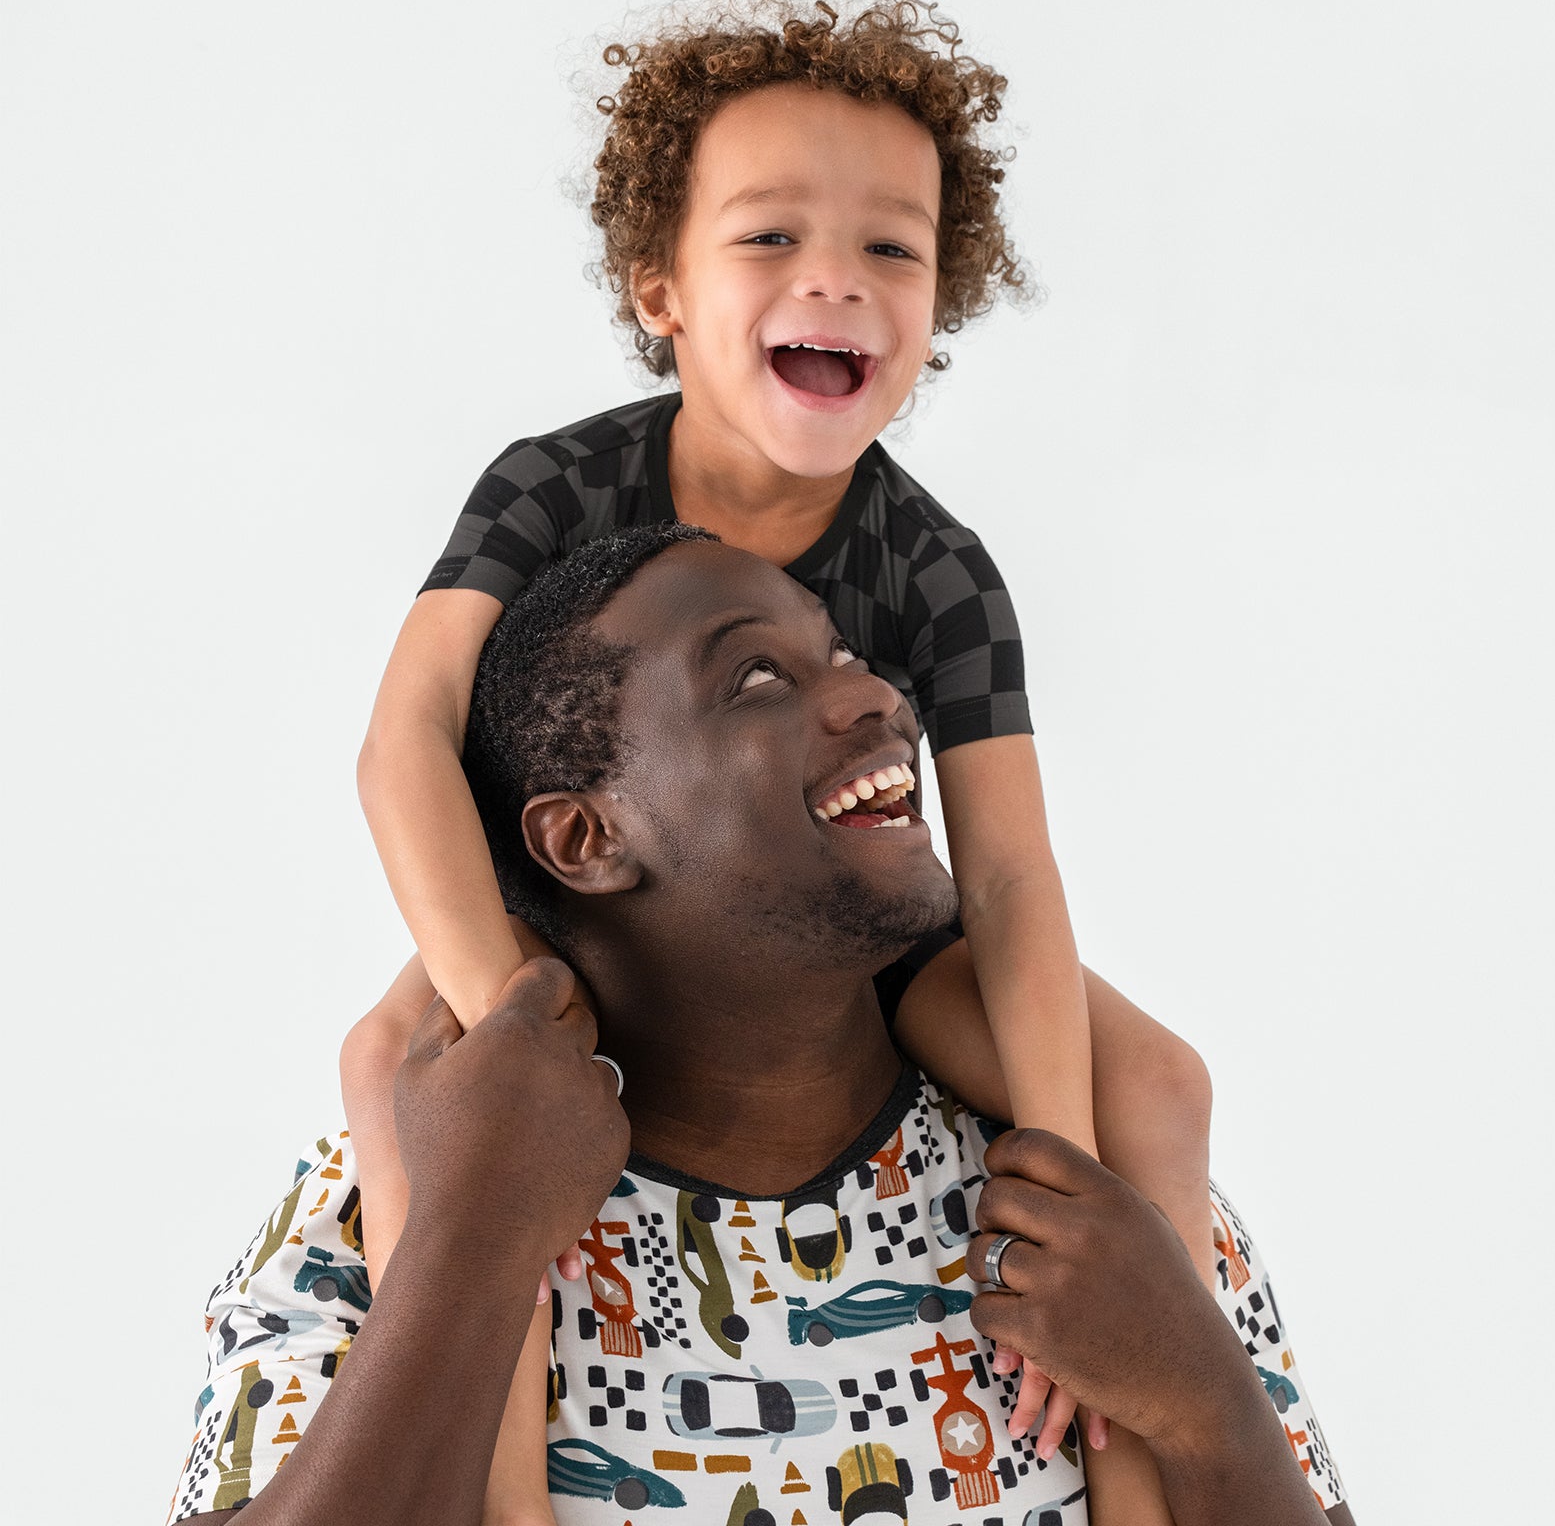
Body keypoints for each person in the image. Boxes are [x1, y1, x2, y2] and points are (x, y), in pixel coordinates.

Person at [347, 0, 1214, 1524]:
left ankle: (1146, 1475)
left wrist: (1063, 1180)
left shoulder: (942, 569)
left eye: (893, 248)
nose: (837, 277)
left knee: (1154, 1081)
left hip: (863, 943)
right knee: (392, 1067)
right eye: (769, 239)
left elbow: (1006, 873)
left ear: (942, 307)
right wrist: (516, 1016)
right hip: (582, 929)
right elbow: (403, 740)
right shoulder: (555, 487)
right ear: (658, 287)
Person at [166, 528, 1351, 1526]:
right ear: (585, 838)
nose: (881, 699)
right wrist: (471, 1239)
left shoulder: (1092, 1208)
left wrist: (1208, 1405)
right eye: (758, 682)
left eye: (841, 654)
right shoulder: (387, 1215)